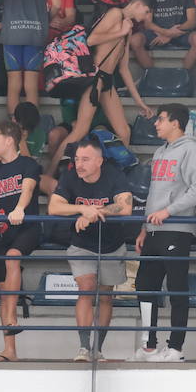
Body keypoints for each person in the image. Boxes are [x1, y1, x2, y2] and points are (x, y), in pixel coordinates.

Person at [132, 105, 196, 363]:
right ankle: (148, 344)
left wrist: (169, 211)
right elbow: (154, 192)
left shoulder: (191, 149)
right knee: (144, 285)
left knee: (177, 288)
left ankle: (176, 347)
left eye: (161, 119)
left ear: (176, 123)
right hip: (154, 229)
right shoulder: (160, 151)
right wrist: (145, 227)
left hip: (177, 229)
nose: (156, 124)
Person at [48, 137, 134, 362]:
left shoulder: (114, 174)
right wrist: (82, 209)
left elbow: (125, 207)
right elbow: (53, 207)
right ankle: (84, 348)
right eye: (77, 159)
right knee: (86, 288)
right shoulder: (69, 176)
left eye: (85, 159)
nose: (79, 164)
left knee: (105, 295)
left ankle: (98, 348)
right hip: (81, 244)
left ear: (99, 161)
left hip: (112, 245)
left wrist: (96, 214)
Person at [50, 0, 155, 170]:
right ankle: (50, 173)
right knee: (80, 131)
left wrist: (140, 103)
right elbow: (90, 40)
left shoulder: (128, 28)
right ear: (137, 5)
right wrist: (119, 32)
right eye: (146, 12)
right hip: (94, 78)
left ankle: (114, 176)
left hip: (107, 80)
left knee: (124, 132)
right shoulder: (115, 13)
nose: (145, 18)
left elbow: (123, 69)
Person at [0, 121, 40, 363]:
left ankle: (12, 320)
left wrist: (18, 210)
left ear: (9, 140)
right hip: (0, 233)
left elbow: (27, 189)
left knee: (13, 257)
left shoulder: (29, 164)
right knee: (3, 292)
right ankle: (9, 350)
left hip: (27, 228)